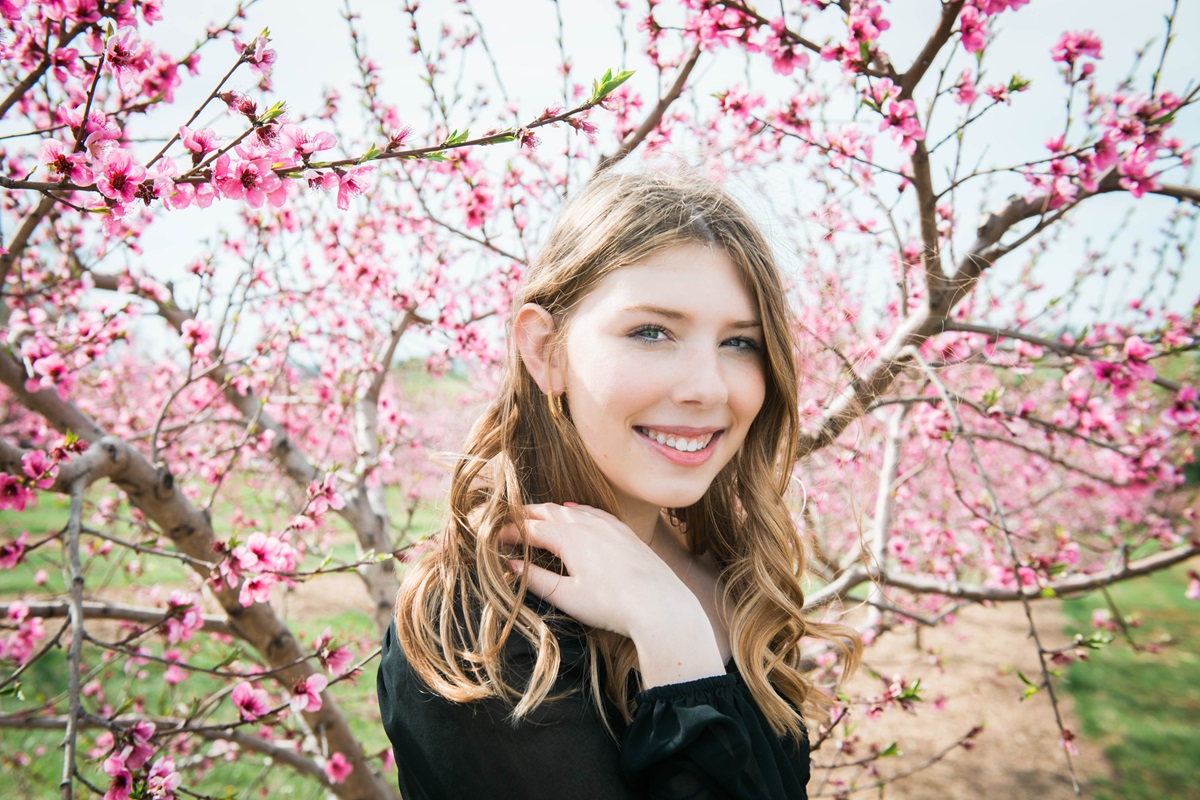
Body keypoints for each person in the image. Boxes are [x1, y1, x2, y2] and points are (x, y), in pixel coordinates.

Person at [377, 169, 860, 799]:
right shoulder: (479, 632)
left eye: (740, 342)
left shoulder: (731, 571)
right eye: (651, 332)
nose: (707, 387)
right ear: (546, 350)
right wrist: (675, 647)